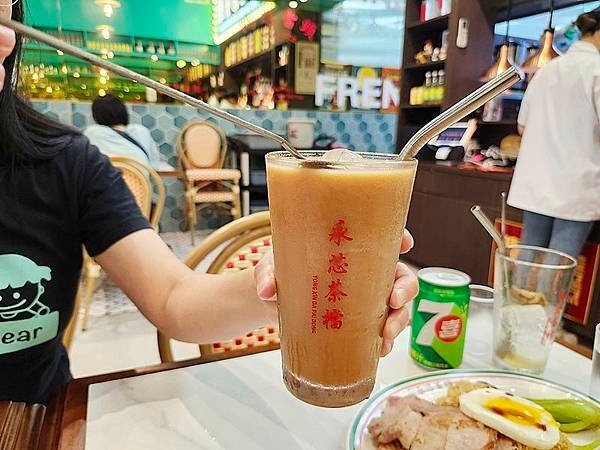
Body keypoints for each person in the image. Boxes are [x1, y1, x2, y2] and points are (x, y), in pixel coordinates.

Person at [0, 2, 417, 405]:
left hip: (35, 417)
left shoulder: (64, 162)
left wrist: (299, 288)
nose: (2, 40)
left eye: (4, 13)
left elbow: (173, 299)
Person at [507, 9, 600, 260]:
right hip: (576, 185)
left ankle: (516, 300)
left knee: (527, 256)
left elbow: (522, 127)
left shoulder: (547, 70)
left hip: (539, 181)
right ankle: (545, 302)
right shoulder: (597, 70)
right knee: (559, 263)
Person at [84, 93, 160, 168]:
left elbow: (83, 163)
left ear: (97, 116)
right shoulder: (142, 131)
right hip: (138, 180)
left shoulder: (93, 132)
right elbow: (155, 165)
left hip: (105, 179)